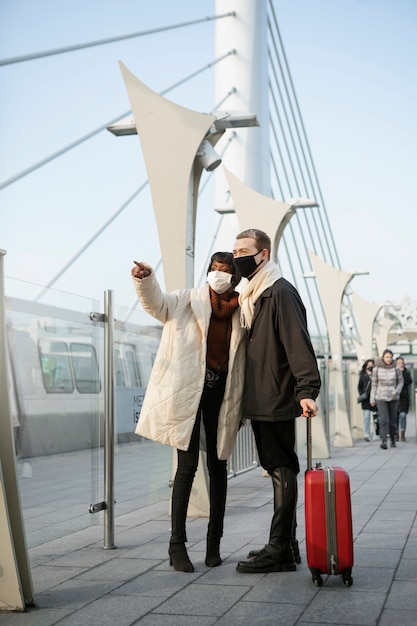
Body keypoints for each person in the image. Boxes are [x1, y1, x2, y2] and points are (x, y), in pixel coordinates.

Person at [131, 252, 246, 572]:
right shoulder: (187, 299)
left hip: (222, 394)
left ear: (234, 277)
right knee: (187, 466)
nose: (218, 274)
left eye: (225, 271)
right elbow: (158, 305)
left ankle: (214, 544)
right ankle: (177, 546)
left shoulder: (241, 309)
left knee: (219, 465)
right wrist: (145, 279)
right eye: (214, 269)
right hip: (188, 393)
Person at [231, 229, 321, 574]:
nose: (238, 256)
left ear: (263, 254)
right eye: (235, 250)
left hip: (276, 397)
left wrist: (307, 391)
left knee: (281, 469)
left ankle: (279, 550)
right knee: (277, 469)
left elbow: (298, 345)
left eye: (245, 251)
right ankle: (287, 544)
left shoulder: (279, 292)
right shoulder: (257, 294)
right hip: (264, 397)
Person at [370, 349, 403, 450]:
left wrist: (396, 391)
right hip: (381, 397)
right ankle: (384, 440)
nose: (388, 359)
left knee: (392, 420)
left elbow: (401, 382)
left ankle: (392, 439)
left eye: (390, 357)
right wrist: (372, 398)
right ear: (383, 357)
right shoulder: (376, 369)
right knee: (384, 420)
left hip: (393, 397)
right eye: (387, 357)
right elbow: (374, 384)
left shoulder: (396, 369)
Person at [395, 356, 412, 441]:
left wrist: (402, 372)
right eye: (399, 363)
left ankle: (402, 433)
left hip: (404, 398)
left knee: (402, 415)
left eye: (402, 363)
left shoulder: (406, 372)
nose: (400, 364)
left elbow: (409, 381)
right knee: (395, 416)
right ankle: (396, 433)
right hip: (394, 397)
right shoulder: (393, 372)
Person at [358, 359, 375, 441]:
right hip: (365, 399)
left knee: (376, 416)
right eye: (369, 365)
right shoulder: (362, 375)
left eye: (372, 365)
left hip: (375, 398)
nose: (370, 366)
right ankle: (367, 433)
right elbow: (359, 387)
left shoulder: (375, 374)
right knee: (367, 416)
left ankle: (377, 433)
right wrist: (362, 395)